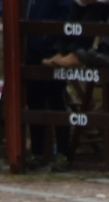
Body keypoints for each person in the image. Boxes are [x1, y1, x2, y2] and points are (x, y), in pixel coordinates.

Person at [26, 0, 74, 168]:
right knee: (34, 104)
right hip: (29, 55)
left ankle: (63, 153)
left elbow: (66, 13)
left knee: (57, 103)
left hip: (51, 54)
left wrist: (53, 44)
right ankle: (37, 153)